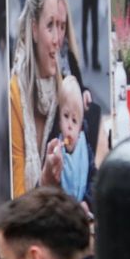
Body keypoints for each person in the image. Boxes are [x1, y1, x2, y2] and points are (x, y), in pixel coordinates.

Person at [10, 0, 63, 197]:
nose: (57, 40)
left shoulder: (62, 88)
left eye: (61, 26)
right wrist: (45, 181)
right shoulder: (14, 94)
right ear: (33, 28)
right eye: (49, 25)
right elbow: (17, 202)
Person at [49, 76, 93, 205]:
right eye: (66, 116)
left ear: (80, 130)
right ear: (59, 119)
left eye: (74, 121)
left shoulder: (85, 149)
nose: (69, 125)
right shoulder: (56, 149)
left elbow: (94, 180)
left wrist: (87, 201)